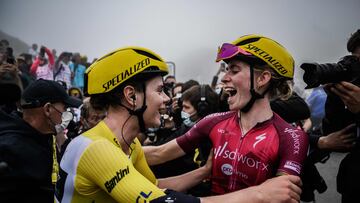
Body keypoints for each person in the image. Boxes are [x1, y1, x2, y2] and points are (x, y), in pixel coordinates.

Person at [56, 46, 302, 203]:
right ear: (131, 96)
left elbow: (153, 187)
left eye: (233, 69)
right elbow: (161, 200)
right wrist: (258, 194)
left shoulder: (128, 147)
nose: (166, 99)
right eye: (161, 90)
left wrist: (204, 171)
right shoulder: (98, 149)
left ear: (263, 79)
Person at [144, 34, 309, 195]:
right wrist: (117, 150)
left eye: (234, 71)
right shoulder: (212, 122)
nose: (224, 78)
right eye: (226, 70)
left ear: (262, 78)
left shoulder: (292, 137)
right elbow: (160, 153)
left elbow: (283, 197)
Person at [0, 79, 81, 202]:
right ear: (48, 109)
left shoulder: (44, 136)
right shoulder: (11, 150)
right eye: (65, 108)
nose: (66, 114)